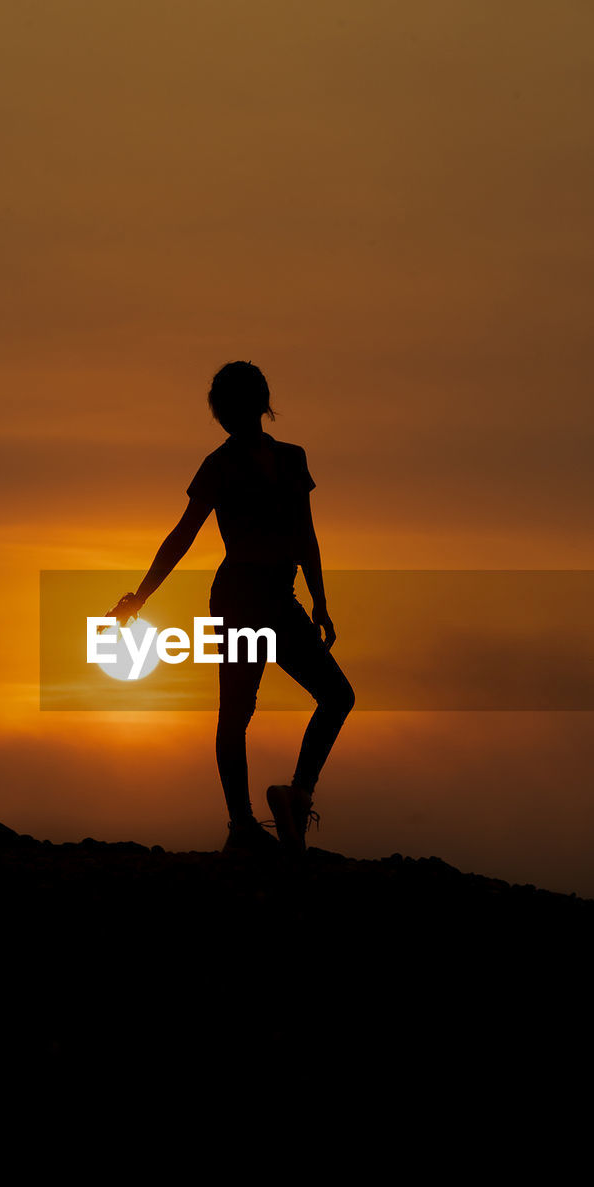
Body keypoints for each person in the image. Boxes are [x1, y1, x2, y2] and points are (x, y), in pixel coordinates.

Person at [108, 361, 355, 854]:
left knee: (334, 697)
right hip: (240, 597)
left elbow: (305, 534)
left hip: (278, 598)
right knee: (240, 711)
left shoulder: (290, 458)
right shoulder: (219, 466)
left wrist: (320, 598)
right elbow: (183, 536)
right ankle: (241, 825)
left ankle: (294, 797)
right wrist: (141, 596)